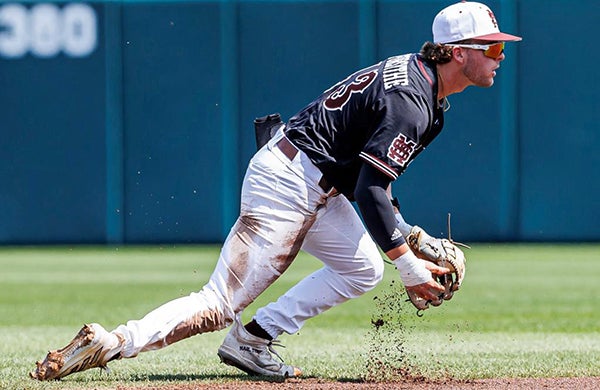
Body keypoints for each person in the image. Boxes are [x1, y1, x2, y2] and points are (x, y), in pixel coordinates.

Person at [31, 1, 521, 381]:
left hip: (312, 176)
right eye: (492, 49)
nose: (500, 57)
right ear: (459, 53)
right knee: (219, 302)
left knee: (363, 268)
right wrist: (411, 266)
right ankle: (114, 341)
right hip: (289, 181)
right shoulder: (413, 103)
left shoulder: (421, 85)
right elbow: (371, 191)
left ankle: (254, 339)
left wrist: (408, 235)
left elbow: (359, 177)